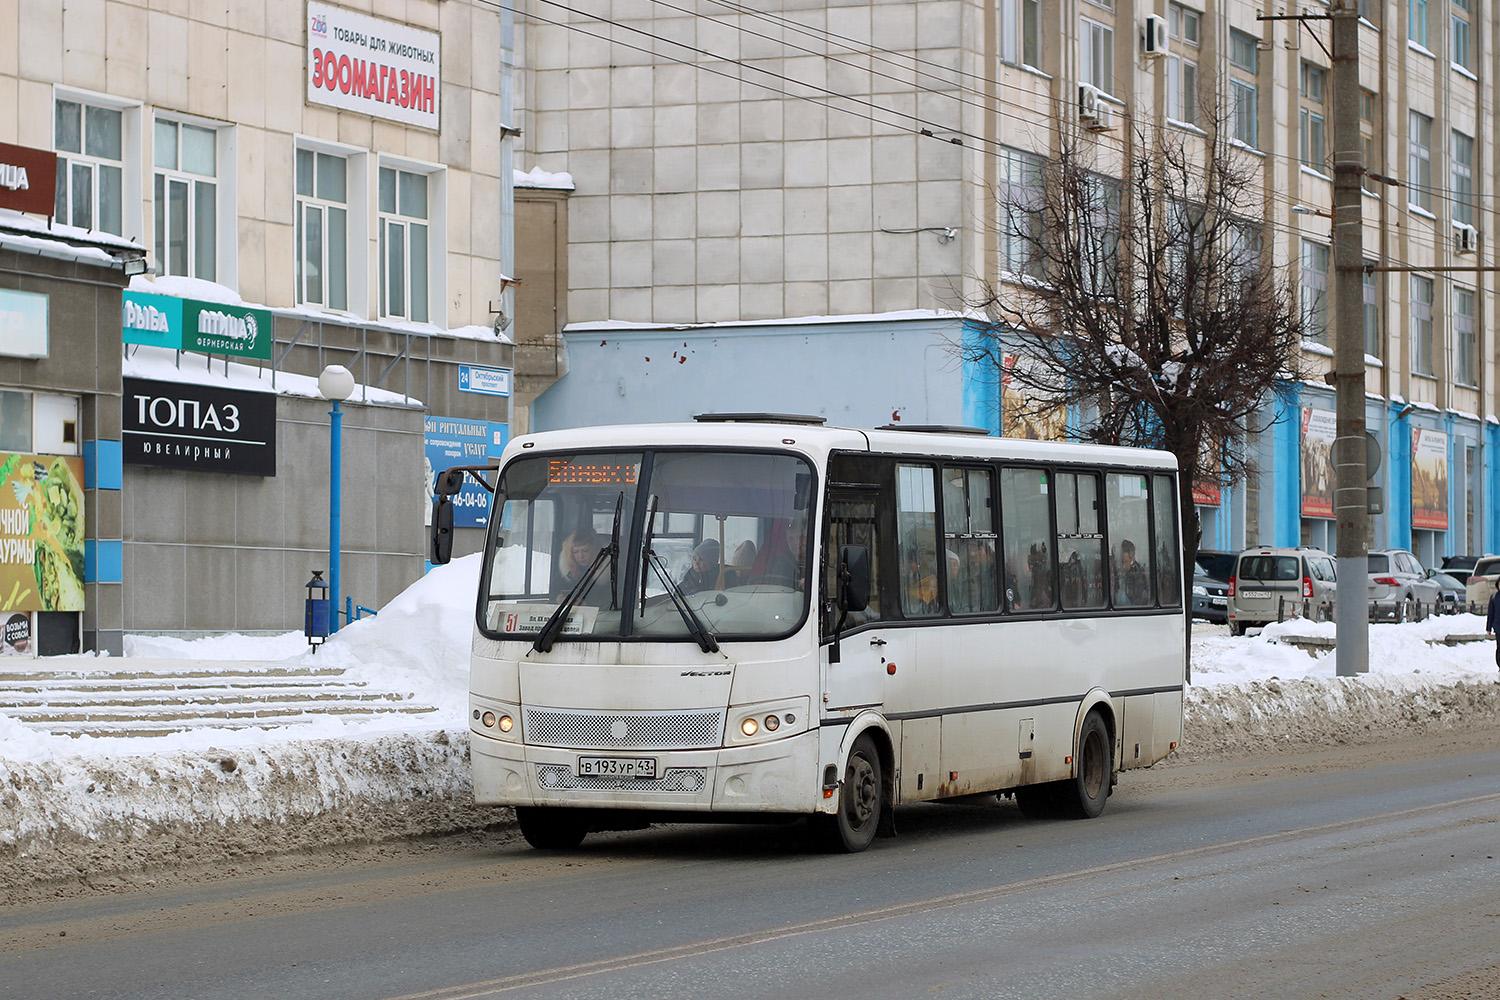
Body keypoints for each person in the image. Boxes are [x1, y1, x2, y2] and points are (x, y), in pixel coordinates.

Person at [556, 529, 603, 595]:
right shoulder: (567, 575)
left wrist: (586, 604)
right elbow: (552, 595)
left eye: (585, 550)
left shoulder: (609, 574)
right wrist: (557, 600)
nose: (580, 556)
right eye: (575, 552)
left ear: (595, 550)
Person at [1116, 538, 1150, 607]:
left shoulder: (1137, 574)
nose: (1123, 565)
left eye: (1125, 562)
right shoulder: (1125, 574)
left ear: (1132, 560)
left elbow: (1139, 598)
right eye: (1122, 562)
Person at [1487, 587, 1500, 672]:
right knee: (1499, 648)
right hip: (1498, 627)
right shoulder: (1494, 597)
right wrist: (1488, 628)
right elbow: (1490, 613)